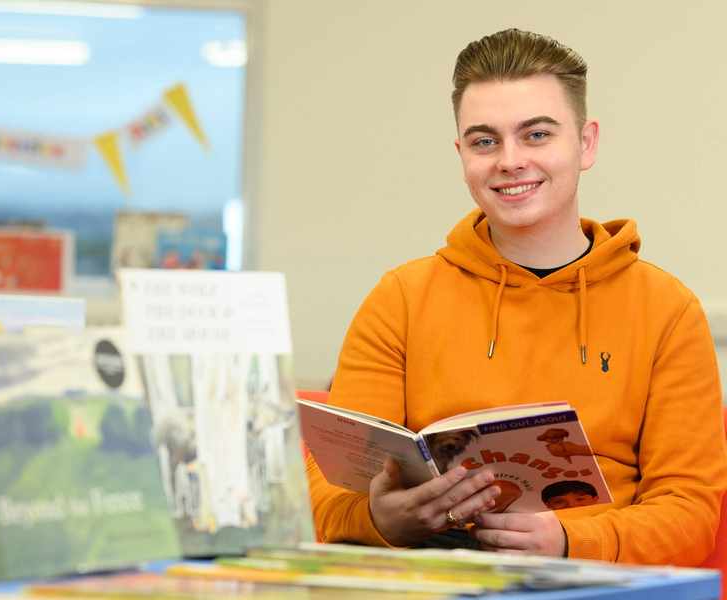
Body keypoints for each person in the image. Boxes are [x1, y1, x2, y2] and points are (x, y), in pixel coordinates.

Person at [305, 28, 727, 565]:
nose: (509, 160)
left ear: (587, 142)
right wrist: (381, 521)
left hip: (590, 582)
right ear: (462, 154)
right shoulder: (401, 299)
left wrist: (572, 543)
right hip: (429, 570)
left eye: (536, 135)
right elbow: (331, 493)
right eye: (485, 141)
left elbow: (690, 514)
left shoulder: (667, 310)